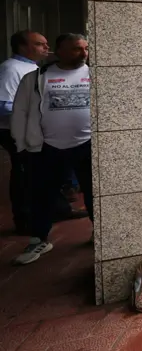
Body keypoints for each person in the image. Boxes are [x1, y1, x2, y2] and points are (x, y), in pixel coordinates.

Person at [11, 34, 93, 264]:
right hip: (47, 147)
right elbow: (20, 113)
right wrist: (22, 145)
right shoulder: (36, 78)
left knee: (94, 192)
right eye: (77, 49)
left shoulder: (94, 74)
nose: (84, 54)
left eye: (86, 48)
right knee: (42, 195)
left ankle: (100, 233)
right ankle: (39, 239)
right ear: (60, 51)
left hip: (88, 145)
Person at [0, 30, 49, 234]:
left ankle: (55, 210)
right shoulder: (11, 69)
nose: (46, 48)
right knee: (24, 174)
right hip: (16, 131)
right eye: (40, 44)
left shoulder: (32, 68)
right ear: (22, 46)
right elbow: (3, 105)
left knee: (39, 172)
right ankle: (24, 219)